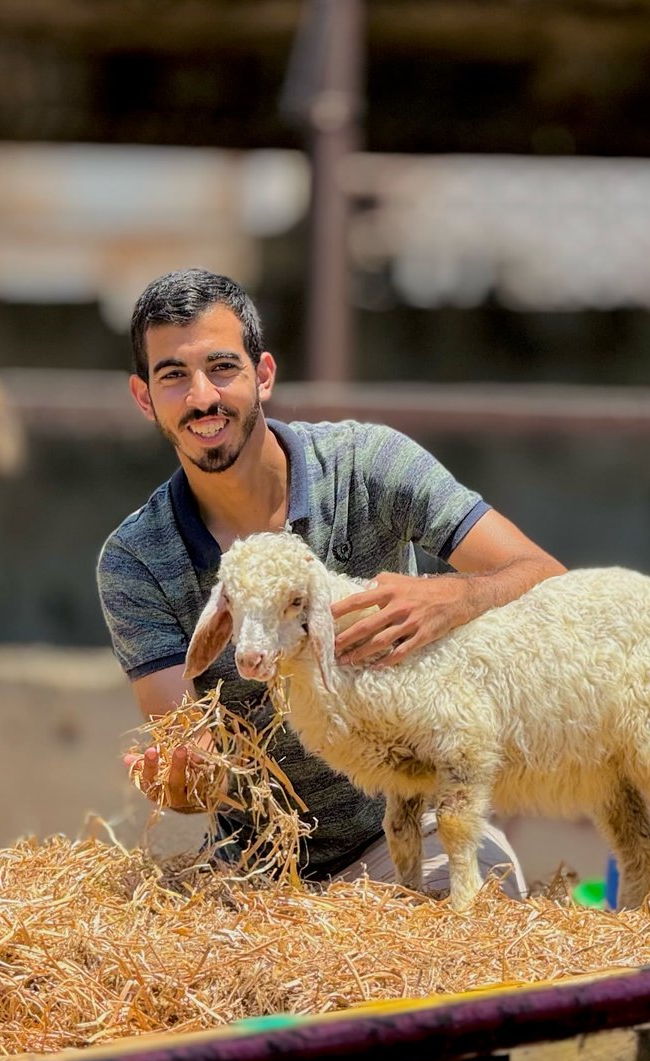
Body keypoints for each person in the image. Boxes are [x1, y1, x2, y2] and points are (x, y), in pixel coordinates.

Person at [97, 267, 568, 898]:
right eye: (173, 376)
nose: (203, 397)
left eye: (222, 367)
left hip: (417, 821)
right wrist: (184, 786)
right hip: (263, 865)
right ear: (143, 397)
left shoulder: (369, 464)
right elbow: (190, 748)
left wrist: (455, 596)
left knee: (481, 935)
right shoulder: (136, 560)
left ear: (263, 373)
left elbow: (549, 580)